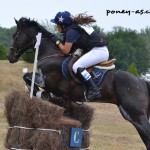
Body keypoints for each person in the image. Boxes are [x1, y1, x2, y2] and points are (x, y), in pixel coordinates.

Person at [50, 11, 109, 101]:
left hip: (98, 51)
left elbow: (66, 51)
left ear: (63, 25)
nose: (56, 26)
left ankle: (94, 90)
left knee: (77, 66)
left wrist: (57, 41)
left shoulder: (72, 31)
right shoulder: (74, 28)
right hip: (99, 50)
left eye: (57, 24)